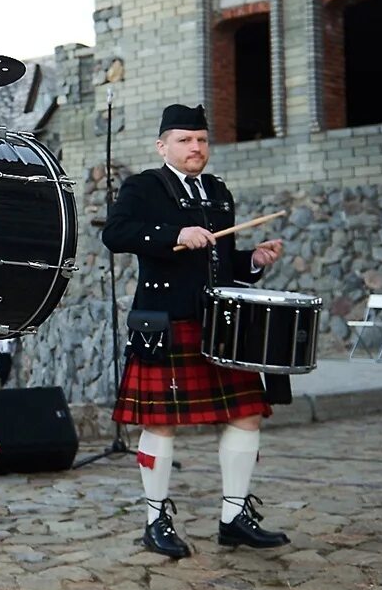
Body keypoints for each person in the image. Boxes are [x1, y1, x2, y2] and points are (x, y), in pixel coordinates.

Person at [102, 103, 288, 559]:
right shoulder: (144, 186)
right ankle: (155, 520)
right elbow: (116, 233)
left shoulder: (218, 192)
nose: (196, 148)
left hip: (219, 324)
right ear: (163, 145)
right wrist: (174, 233)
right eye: (185, 140)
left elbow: (219, 259)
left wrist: (252, 262)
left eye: (202, 140)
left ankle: (234, 517)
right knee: (160, 424)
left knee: (246, 413)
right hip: (167, 322)